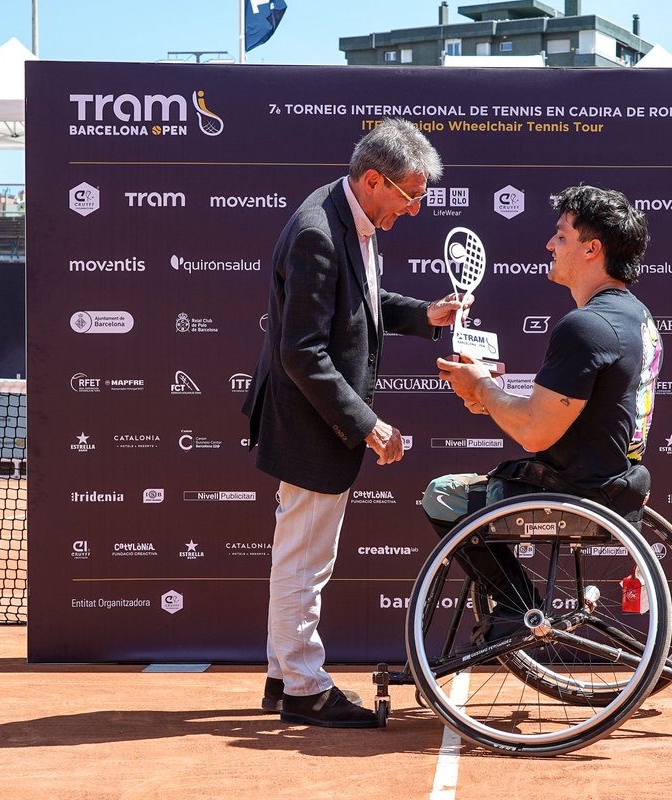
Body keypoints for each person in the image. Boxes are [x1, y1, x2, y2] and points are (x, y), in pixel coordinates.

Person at [242, 118, 470, 729]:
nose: (417, 209)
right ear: (374, 180)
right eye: (411, 195)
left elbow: (364, 304)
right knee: (305, 557)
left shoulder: (354, 218)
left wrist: (426, 314)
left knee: (300, 550)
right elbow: (304, 353)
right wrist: (370, 424)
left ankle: (280, 675)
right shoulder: (319, 232)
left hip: (314, 419)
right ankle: (304, 690)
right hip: (310, 423)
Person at [423, 185, 663, 644]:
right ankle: (516, 606)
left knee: (441, 495)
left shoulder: (587, 325)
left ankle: (517, 607)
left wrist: (483, 388)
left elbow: (535, 431)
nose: (549, 246)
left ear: (592, 249)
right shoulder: (637, 315)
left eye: (560, 236)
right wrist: (486, 393)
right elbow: (565, 412)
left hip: (577, 491)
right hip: (616, 482)